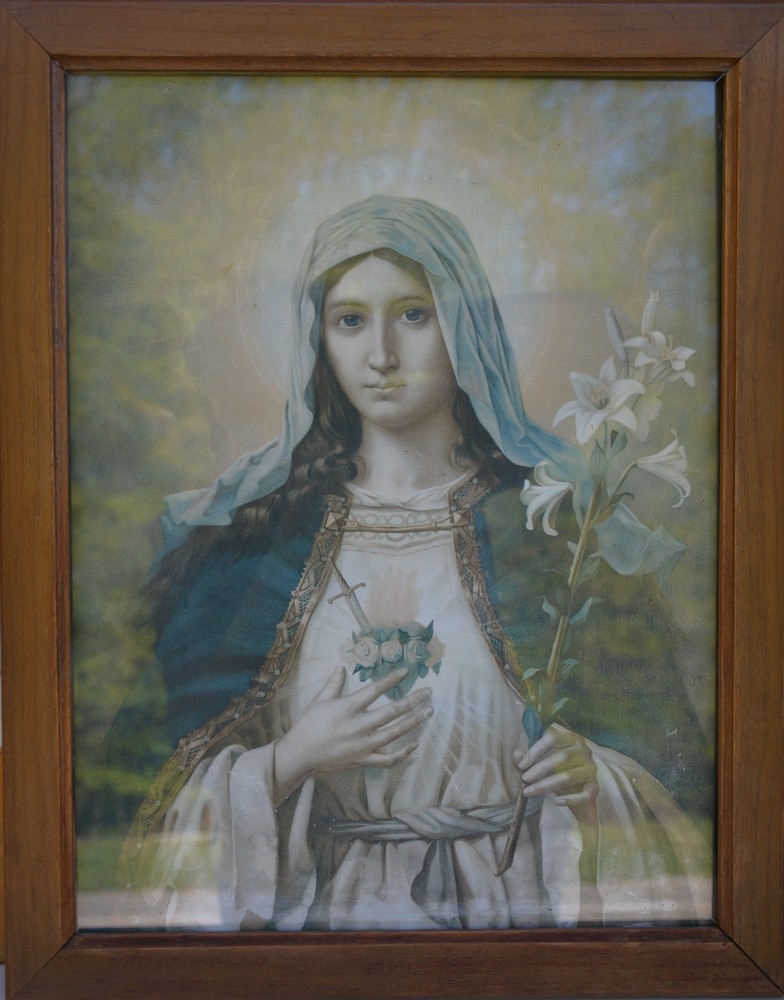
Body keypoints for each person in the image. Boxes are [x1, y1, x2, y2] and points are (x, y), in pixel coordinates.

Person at [123, 195, 711, 931]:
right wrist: (287, 760)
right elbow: (141, 814)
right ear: (318, 339)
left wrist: (592, 775)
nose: (381, 355)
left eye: (413, 314)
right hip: (317, 931)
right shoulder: (255, 547)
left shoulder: (555, 530)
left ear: (464, 326)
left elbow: (678, 784)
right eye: (350, 320)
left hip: (512, 917)